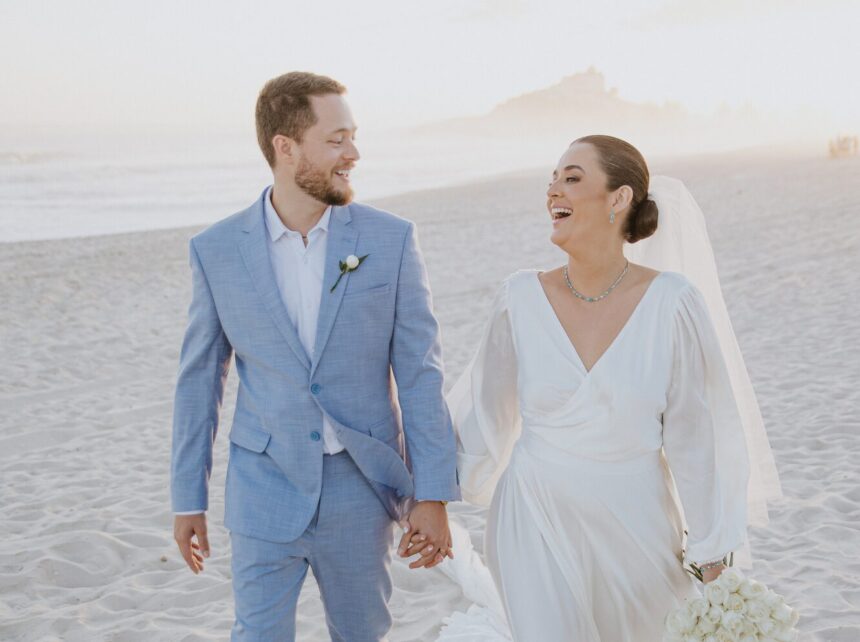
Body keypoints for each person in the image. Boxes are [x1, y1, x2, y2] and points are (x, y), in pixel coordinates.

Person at [436, 135, 781, 641]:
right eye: (552, 180)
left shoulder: (673, 303)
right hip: (533, 518)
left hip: (638, 528)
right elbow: (486, 422)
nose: (554, 190)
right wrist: (430, 496)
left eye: (572, 178)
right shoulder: (519, 298)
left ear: (619, 198)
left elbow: (697, 439)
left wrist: (712, 558)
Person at [170, 71, 460, 642]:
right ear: (285, 147)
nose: (354, 153)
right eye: (336, 139)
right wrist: (188, 499)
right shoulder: (216, 250)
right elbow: (199, 382)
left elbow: (420, 374)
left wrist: (433, 494)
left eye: (353, 137)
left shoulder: (391, 240)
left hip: (362, 487)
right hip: (262, 485)